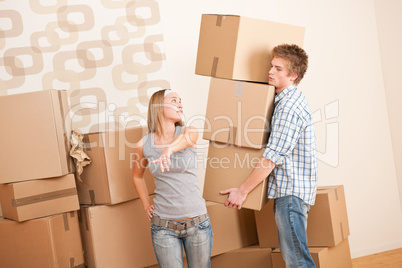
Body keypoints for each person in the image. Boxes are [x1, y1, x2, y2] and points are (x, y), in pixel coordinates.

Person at [220, 44, 318, 268]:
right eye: (271, 66)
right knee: (295, 256)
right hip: (292, 192)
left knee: (297, 261)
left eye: (278, 69)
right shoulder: (283, 100)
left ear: (293, 75)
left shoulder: (288, 108)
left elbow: (272, 157)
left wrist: (242, 191)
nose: (270, 72)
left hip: (291, 193)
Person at [132, 89, 213, 268]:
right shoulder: (143, 145)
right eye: (174, 100)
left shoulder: (190, 131)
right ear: (158, 107)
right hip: (163, 227)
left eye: (180, 101)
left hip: (197, 224)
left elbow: (186, 140)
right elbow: (137, 176)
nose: (180, 104)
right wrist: (146, 204)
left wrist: (168, 150)